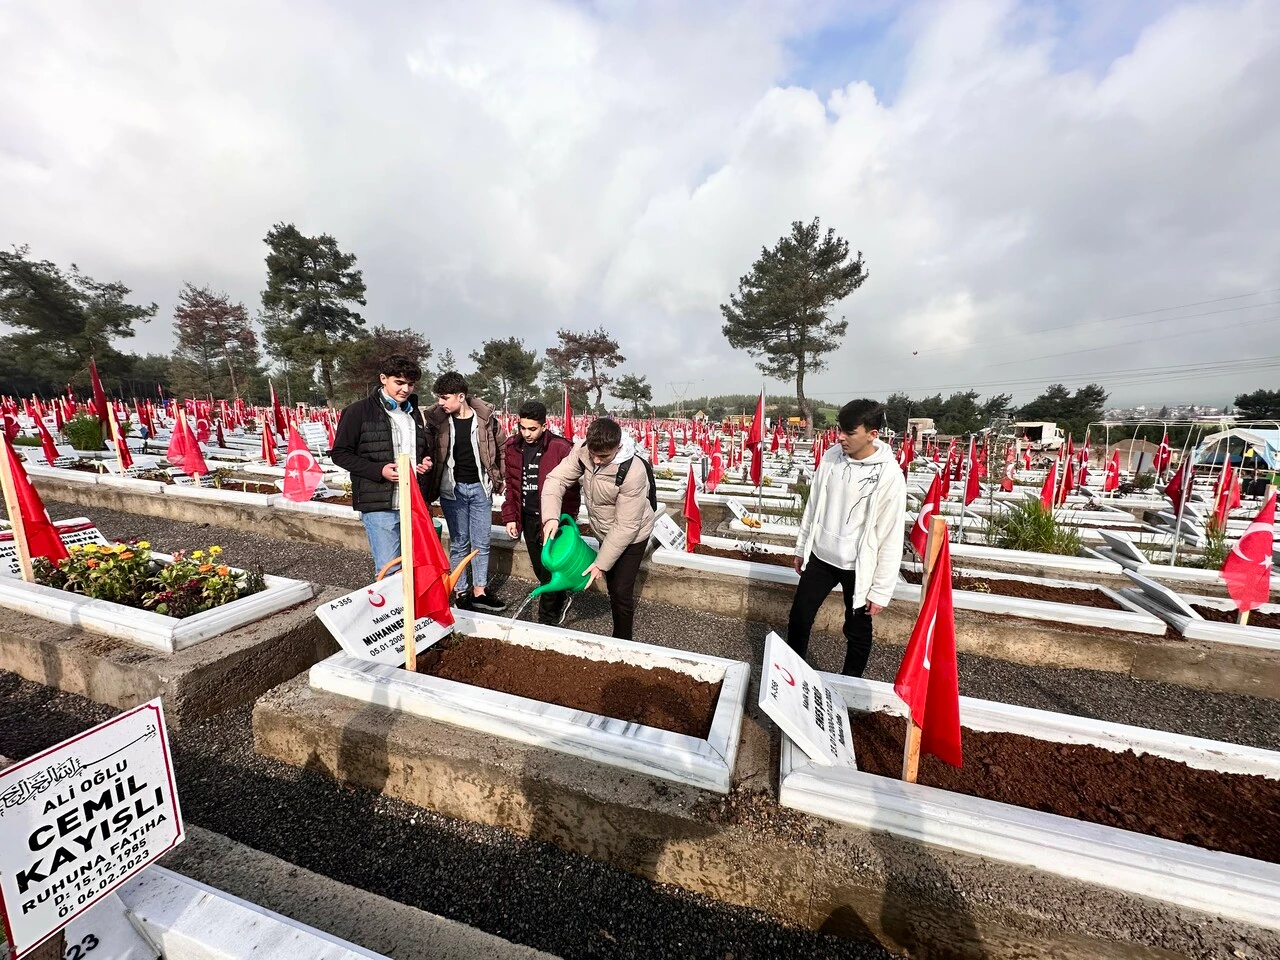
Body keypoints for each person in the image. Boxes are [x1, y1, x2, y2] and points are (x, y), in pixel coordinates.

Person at [786, 398, 906, 676]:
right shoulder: (831, 458)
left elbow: (890, 534)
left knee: (857, 630)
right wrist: (802, 547)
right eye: (840, 429)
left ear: (872, 434)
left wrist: (881, 590)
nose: (841, 437)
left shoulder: (888, 475)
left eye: (850, 432)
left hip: (858, 565)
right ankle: (793, 675)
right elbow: (813, 506)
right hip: (823, 556)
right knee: (800, 617)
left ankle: (849, 686)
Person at [541, 418, 656, 640]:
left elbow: (626, 526)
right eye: (593, 453)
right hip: (604, 528)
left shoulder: (633, 472)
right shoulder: (583, 451)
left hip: (633, 533)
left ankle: (622, 642)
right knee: (613, 584)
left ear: (618, 447)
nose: (595, 460)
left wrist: (601, 563)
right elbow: (556, 480)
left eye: (603, 456)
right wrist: (551, 517)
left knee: (621, 591)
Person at [330, 354, 434, 578]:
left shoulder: (412, 413)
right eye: (399, 382)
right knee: (390, 569)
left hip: (413, 502)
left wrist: (423, 461)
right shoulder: (358, 412)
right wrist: (379, 471)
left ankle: (410, 611)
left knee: (415, 566)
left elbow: (418, 449)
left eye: (410, 384)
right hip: (380, 505)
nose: (405, 389)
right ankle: (393, 611)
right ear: (383, 379)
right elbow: (339, 454)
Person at [424, 371, 507, 612]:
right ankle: (460, 591)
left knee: (482, 542)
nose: (441, 402)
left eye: (445, 397)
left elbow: (501, 447)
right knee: (460, 542)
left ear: (461, 396)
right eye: (439, 397)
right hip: (453, 491)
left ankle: (479, 590)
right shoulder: (437, 421)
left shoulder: (484, 419)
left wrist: (500, 478)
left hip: (480, 489)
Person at [500, 399, 580, 625]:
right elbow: (512, 485)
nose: (526, 433)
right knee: (539, 567)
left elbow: (572, 490)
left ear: (545, 426)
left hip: (552, 519)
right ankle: (559, 595)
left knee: (548, 569)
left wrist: (567, 519)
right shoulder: (512, 447)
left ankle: (547, 619)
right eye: (522, 427)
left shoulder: (561, 448)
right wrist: (511, 517)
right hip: (528, 516)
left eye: (532, 429)